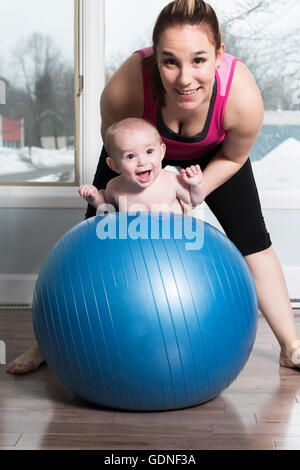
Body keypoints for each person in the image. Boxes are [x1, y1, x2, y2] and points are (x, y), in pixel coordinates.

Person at [6, 0, 300, 375]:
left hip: (211, 158)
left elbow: (234, 157)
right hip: (137, 156)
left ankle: (290, 345)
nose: (184, 78)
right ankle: (50, 342)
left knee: (253, 239)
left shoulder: (241, 97)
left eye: (199, 60)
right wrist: (144, 182)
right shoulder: (125, 87)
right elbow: (116, 146)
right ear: (153, 60)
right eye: (170, 62)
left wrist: (186, 189)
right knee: (96, 232)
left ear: (219, 55)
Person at [78, 117, 206, 213]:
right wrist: (94, 197)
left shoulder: (172, 181)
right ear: (115, 165)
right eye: (130, 156)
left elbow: (194, 200)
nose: (142, 162)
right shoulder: (115, 187)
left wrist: (197, 184)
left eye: (149, 151)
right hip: (133, 244)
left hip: (171, 243)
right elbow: (105, 204)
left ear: (161, 152)